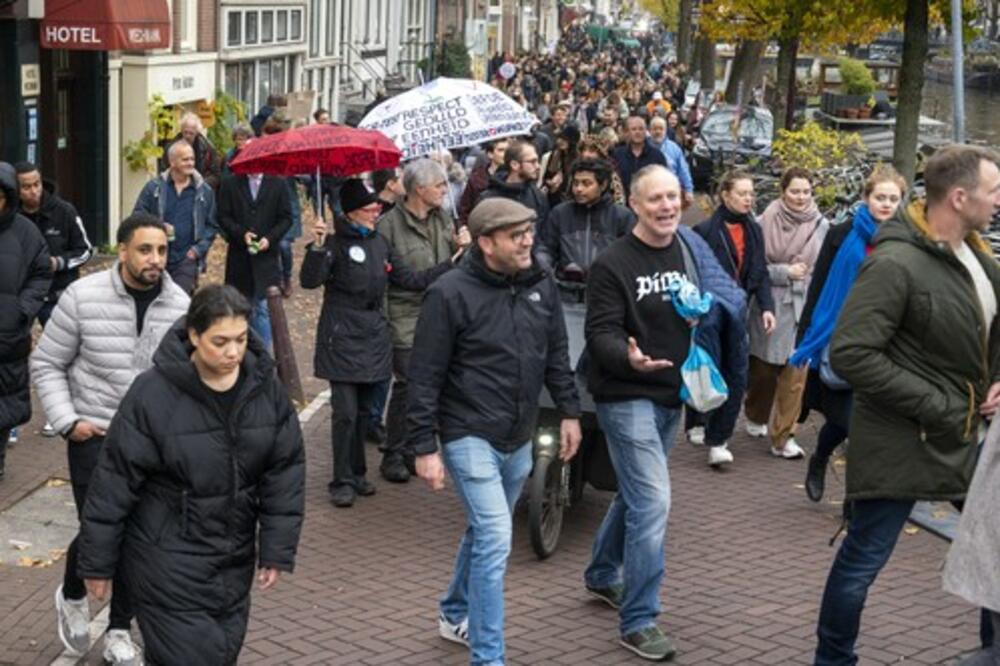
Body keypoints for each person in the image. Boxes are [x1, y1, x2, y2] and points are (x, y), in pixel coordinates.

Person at [813, 145, 1000, 665]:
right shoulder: (895, 263)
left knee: (998, 548)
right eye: (993, 190)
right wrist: (938, 404)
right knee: (863, 559)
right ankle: (832, 661)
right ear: (959, 197)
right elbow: (850, 352)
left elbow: (991, 335)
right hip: (902, 441)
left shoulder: (978, 257)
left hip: (964, 437)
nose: (999, 200)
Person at [76, 284, 305, 666]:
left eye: (241, 339)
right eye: (220, 341)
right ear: (194, 336)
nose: (233, 352)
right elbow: (113, 482)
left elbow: (284, 470)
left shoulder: (265, 390)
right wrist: (97, 562)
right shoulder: (152, 394)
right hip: (164, 557)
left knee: (219, 652)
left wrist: (277, 548)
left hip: (232, 562)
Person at [407, 197, 582, 665]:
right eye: (515, 235)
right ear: (485, 243)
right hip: (468, 435)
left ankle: (452, 612)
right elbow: (424, 375)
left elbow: (557, 357)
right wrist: (424, 445)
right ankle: (488, 656)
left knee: (484, 532)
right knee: (496, 539)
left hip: (519, 436)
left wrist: (569, 412)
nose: (528, 241)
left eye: (529, 231)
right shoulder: (448, 294)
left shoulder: (542, 284)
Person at [583, 165, 745, 661]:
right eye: (655, 199)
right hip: (624, 392)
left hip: (670, 395)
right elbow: (600, 332)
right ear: (634, 204)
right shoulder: (612, 264)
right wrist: (625, 355)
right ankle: (639, 620)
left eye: (673, 197)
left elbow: (708, 301)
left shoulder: (687, 249)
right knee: (654, 501)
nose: (667, 207)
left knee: (637, 496)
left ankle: (601, 574)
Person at [31, 212, 189, 664]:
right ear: (122, 251)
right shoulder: (82, 297)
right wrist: (67, 421)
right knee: (103, 528)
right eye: (145, 249)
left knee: (139, 536)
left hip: (151, 442)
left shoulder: (180, 306)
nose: (155, 259)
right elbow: (46, 363)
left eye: (161, 250)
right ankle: (74, 591)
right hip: (94, 433)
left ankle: (120, 630)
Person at [301, 179, 461, 508]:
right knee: (344, 412)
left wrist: (454, 261)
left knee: (363, 413)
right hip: (342, 333)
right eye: (369, 208)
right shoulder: (333, 243)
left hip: (373, 333)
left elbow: (411, 281)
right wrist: (316, 247)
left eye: (376, 206)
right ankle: (341, 479)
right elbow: (310, 281)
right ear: (350, 213)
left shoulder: (379, 243)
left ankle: (358, 473)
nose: (377, 212)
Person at [790, 167, 906, 501]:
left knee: (865, 427)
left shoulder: (908, 240)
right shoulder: (842, 234)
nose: (885, 204)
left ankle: (852, 503)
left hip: (886, 344)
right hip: (842, 340)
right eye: (879, 197)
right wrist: (806, 335)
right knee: (846, 420)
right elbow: (822, 285)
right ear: (866, 198)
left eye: (892, 199)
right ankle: (822, 458)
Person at [376, 159, 471, 482]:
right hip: (404, 312)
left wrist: (463, 248)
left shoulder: (444, 219)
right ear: (420, 189)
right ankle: (393, 451)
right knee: (407, 382)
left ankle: (415, 447)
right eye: (440, 186)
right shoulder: (388, 225)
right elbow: (407, 279)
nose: (446, 191)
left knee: (433, 380)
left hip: (441, 311)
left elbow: (458, 268)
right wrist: (451, 263)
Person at [689, 171, 776, 467]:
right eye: (742, 193)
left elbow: (760, 271)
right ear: (725, 195)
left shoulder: (754, 230)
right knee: (708, 366)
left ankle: (719, 439)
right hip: (711, 312)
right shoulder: (705, 231)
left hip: (740, 310)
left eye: (751, 193)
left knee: (737, 373)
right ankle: (697, 419)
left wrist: (766, 307)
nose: (749, 199)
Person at [745, 167, 828, 460]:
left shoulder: (822, 226)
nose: (801, 197)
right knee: (764, 371)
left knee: (796, 373)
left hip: (804, 306)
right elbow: (753, 269)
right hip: (770, 303)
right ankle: (755, 413)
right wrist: (784, 272)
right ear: (783, 192)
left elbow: (824, 269)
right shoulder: (762, 222)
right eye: (795, 191)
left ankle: (783, 436)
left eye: (806, 191)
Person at [0, 161, 51, 479]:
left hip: (8, 336)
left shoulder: (25, 232)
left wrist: (22, 309)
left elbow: (42, 272)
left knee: (4, 405)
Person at [217, 164, 292, 352]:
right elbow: (223, 216)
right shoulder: (230, 184)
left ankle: (262, 355)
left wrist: (270, 238)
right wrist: (241, 234)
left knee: (262, 308)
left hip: (266, 259)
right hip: (239, 258)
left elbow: (286, 218)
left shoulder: (278, 184)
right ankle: (241, 351)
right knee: (238, 307)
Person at [133, 140, 219, 295]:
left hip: (186, 258)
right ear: (172, 162)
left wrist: (197, 251)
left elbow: (212, 226)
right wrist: (159, 226)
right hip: (156, 256)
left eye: (192, 159)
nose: (190, 163)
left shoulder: (204, 192)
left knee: (179, 302)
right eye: (185, 159)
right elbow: (138, 216)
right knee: (154, 299)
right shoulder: (154, 188)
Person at [14, 162, 93, 328]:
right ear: (15, 189)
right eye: (26, 187)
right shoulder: (10, 216)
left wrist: (58, 262)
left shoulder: (64, 211)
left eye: (37, 184)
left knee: (62, 346)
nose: (34, 191)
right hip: (21, 295)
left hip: (57, 296)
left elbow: (85, 250)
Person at [538, 158, 635, 275]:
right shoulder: (560, 213)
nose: (579, 189)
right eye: (575, 183)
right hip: (565, 288)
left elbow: (631, 256)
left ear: (603, 185)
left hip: (606, 288)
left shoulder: (621, 216)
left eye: (586, 183)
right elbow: (546, 249)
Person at [479, 140, 550, 228]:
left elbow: (543, 233)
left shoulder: (538, 196)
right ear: (514, 165)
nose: (538, 166)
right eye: (532, 162)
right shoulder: (488, 199)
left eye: (537, 161)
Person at [159, 112, 222, 190]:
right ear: (181, 130)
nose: (187, 136)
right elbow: (164, 171)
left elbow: (216, 175)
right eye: (185, 132)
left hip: (200, 192)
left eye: (191, 133)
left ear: (197, 132)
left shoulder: (208, 149)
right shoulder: (170, 148)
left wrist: (200, 185)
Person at [458, 139, 510, 227]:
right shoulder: (476, 178)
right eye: (501, 150)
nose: (506, 154)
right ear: (490, 154)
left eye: (507, 150)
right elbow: (465, 209)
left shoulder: (514, 176)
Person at [611, 116, 668, 194]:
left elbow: (663, 181)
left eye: (641, 129)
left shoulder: (657, 155)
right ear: (627, 132)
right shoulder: (618, 154)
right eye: (634, 129)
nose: (637, 132)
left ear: (646, 131)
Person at [647, 117, 694, 207]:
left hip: (670, 190)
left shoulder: (674, 148)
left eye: (661, 129)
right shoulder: (643, 147)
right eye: (655, 129)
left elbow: (683, 170)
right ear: (649, 130)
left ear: (665, 130)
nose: (658, 132)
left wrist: (689, 190)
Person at [539, 123, 582, 207]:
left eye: (565, 139)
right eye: (560, 138)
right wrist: (550, 182)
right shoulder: (554, 155)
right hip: (551, 197)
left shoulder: (577, 160)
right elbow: (546, 176)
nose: (561, 141)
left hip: (568, 199)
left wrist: (561, 181)